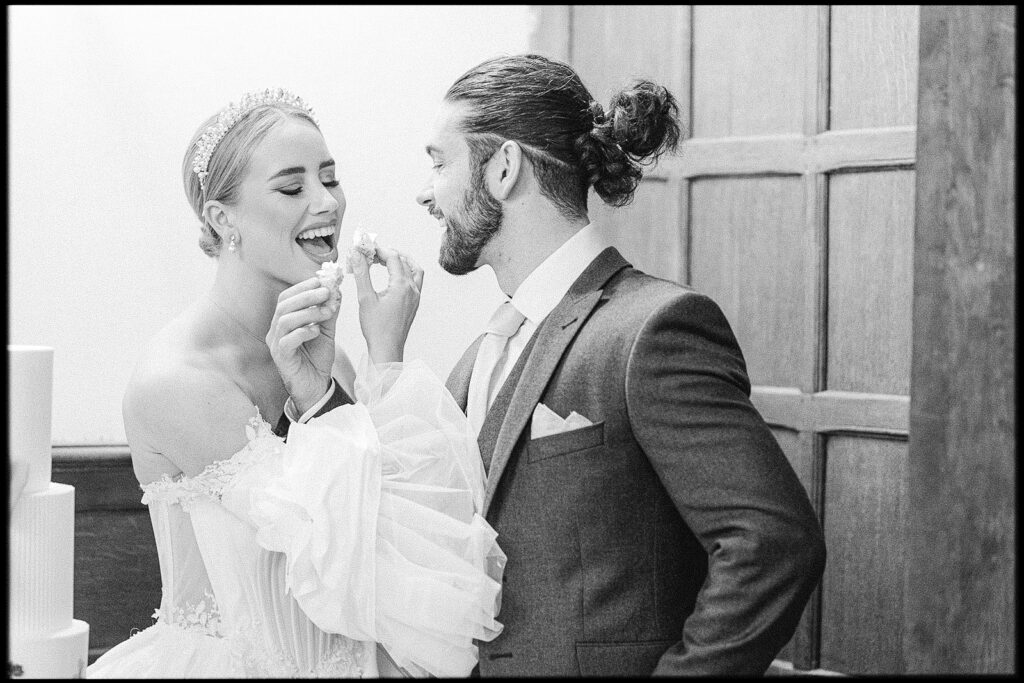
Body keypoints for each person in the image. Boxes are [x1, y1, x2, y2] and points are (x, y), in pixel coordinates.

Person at [416, 54, 827, 676]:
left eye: (439, 162)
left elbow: (773, 543)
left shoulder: (656, 329)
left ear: (503, 168)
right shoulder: (479, 357)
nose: (426, 191)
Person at [87, 88, 504, 678]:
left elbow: (402, 550)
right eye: (292, 187)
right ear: (221, 219)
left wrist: (384, 355)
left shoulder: (324, 361)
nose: (326, 203)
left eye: (329, 179)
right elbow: (338, 556)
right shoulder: (180, 383)